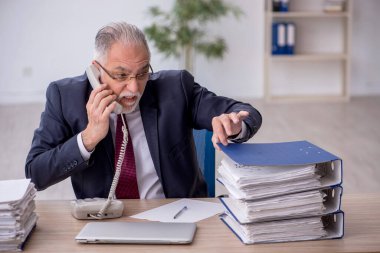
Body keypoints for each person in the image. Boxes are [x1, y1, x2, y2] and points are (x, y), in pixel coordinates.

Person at [25, 22, 262, 199]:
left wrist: (235, 124)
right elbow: (36, 174)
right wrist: (88, 138)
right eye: (121, 75)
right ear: (97, 71)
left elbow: (246, 112)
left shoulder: (176, 87)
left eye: (142, 73)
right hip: (105, 221)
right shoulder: (64, 97)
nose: (134, 87)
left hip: (178, 214)